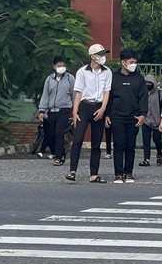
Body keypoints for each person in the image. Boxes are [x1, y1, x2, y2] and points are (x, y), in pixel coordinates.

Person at [66, 43, 112, 183]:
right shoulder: (82, 72)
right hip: (85, 107)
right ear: (92, 56)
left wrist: (103, 108)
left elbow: (106, 92)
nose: (103, 57)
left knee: (96, 142)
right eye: (100, 54)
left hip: (99, 106)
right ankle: (72, 171)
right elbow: (78, 92)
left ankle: (94, 174)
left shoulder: (107, 71)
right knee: (78, 139)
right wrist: (75, 111)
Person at [105, 48, 147, 184]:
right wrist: (107, 115)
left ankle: (128, 173)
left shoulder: (139, 79)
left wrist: (143, 115)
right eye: (131, 62)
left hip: (133, 117)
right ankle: (118, 174)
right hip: (117, 117)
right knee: (118, 145)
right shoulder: (114, 77)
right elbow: (109, 98)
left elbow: (143, 98)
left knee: (130, 146)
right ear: (123, 62)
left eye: (135, 62)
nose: (134, 64)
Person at [36, 56, 75, 165]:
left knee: (59, 132)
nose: (61, 68)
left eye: (63, 65)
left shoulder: (70, 78)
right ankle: (59, 152)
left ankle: (58, 157)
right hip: (51, 110)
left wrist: (75, 110)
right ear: (54, 67)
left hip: (64, 109)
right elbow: (45, 95)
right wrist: (42, 110)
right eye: (59, 66)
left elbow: (74, 94)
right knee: (50, 133)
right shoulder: (49, 79)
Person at [139, 74, 162, 167]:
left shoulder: (159, 94)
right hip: (145, 120)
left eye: (150, 83)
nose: (148, 84)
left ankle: (159, 153)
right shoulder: (142, 94)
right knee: (146, 140)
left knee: (157, 140)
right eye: (146, 83)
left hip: (157, 121)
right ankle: (146, 159)